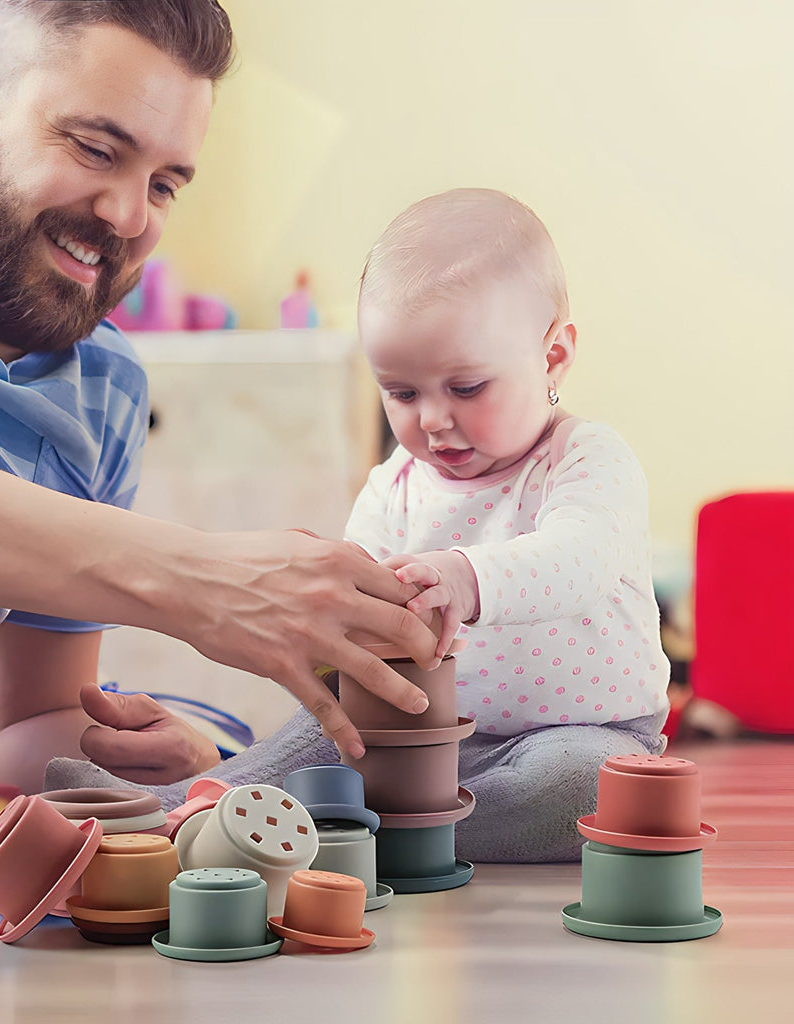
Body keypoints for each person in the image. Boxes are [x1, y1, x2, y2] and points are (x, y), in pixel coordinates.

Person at [0, 0, 442, 819]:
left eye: (164, 185)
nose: (129, 216)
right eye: (95, 148)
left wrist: (171, 755)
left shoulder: (100, 391)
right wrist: (198, 580)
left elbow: (13, 732)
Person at [56, 188, 670, 863]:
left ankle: (354, 833)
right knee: (326, 725)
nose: (432, 420)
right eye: (402, 393)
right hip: (416, 732)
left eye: (466, 388)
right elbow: (348, 616)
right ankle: (183, 805)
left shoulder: (585, 459)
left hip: (576, 732)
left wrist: (464, 578)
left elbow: (577, 561)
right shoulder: (394, 485)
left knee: (585, 790)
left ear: (552, 357)